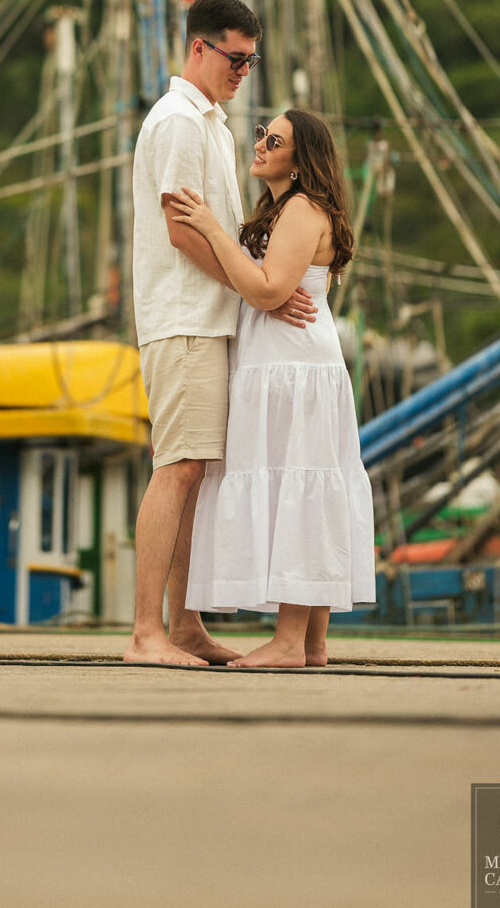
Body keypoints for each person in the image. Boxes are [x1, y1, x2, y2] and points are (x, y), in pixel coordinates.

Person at [123, 0, 318, 668]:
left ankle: (185, 627)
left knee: (197, 475)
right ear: (199, 48)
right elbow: (181, 232)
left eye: (251, 60)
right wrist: (259, 294)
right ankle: (147, 632)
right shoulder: (177, 122)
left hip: (210, 321)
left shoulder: (215, 124)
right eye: (235, 58)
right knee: (174, 469)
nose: (243, 71)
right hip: (183, 321)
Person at [169, 108, 376, 668]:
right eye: (262, 134)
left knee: (300, 488)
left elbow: (266, 290)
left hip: (293, 368)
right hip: (286, 365)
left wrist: (211, 226)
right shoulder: (288, 208)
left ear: (300, 157)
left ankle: (288, 643)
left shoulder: (304, 210)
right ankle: (311, 644)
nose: (260, 144)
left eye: (274, 139)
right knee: (305, 486)